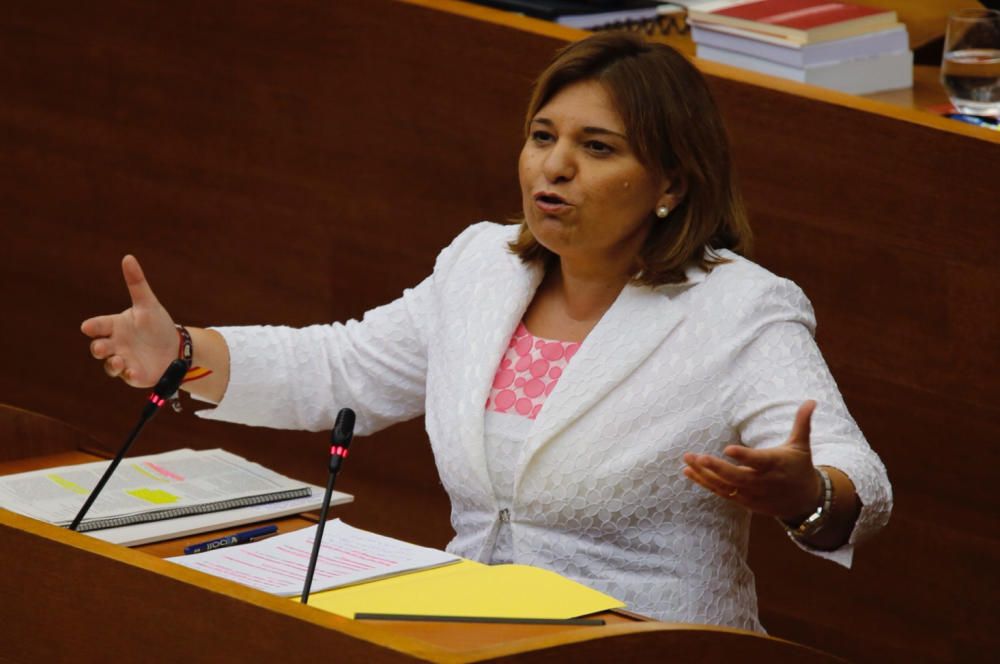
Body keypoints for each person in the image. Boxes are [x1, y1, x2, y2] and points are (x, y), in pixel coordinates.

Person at [81, 33, 891, 631]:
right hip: (474, 634)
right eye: (543, 137)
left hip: (648, 645)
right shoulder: (481, 266)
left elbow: (855, 475)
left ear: (671, 184)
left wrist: (806, 494)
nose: (553, 167)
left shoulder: (736, 308)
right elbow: (340, 368)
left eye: (595, 147)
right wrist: (180, 353)